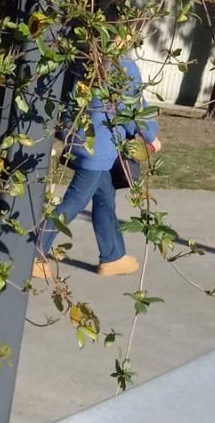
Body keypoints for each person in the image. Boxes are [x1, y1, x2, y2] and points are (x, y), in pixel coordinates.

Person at [33, 53, 161, 279]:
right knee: (73, 203)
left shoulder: (80, 58)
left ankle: (113, 256)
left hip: (81, 140)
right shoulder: (124, 65)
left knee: (104, 198)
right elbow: (133, 106)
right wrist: (149, 135)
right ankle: (34, 252)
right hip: (101, 147)